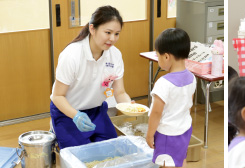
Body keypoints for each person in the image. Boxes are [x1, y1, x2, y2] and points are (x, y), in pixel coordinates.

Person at [49, 5, 133, 149]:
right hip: (69, 113)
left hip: (97, 111)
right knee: (81, 157)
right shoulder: (72, 55)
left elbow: (119, 92)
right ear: (92, 29)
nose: (112, 39)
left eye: (117, 34)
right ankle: (56, 130)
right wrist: (76, 116)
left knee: (112, 150)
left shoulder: (115, 55)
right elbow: (57, 96)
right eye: (108, 32)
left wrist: (130, 107)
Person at [145, 28, 196, 167]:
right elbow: (188, 105)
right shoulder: (192, 77)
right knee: (180, 160)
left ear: (166, 57)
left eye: (158, 56)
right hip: (184, 129)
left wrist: (149, 135)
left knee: (167, 163)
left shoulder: (164, 83)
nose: (158, 60)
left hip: (167, 134)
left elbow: (156, 113)